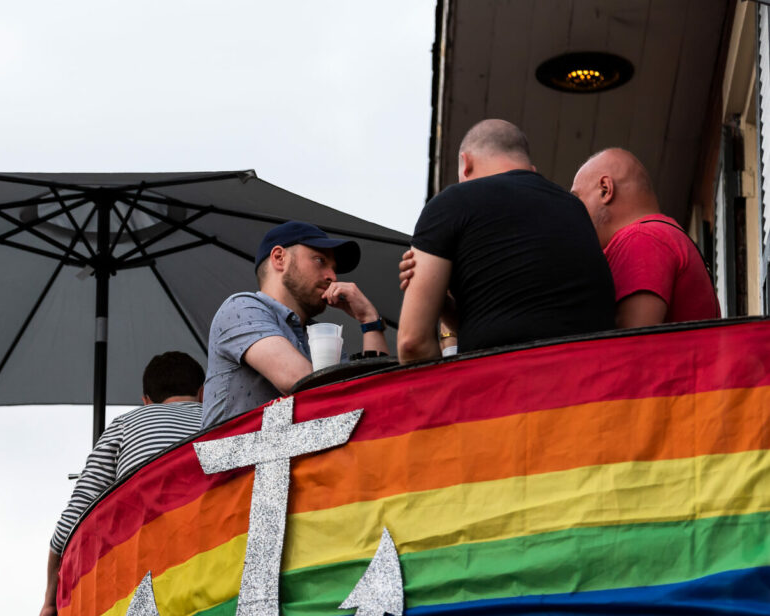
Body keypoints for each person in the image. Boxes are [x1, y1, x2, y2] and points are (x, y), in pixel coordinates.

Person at [31, 351, 205, 616]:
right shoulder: (224, 417)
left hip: (144, 574)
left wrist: (50, 602)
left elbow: (69, 526)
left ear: (146, 400)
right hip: (214, 561)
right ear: (202, 392)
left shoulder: (125, 424)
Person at [397, 119, 615, 362]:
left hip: (500, 386)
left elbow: (412, 343)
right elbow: (532, 319)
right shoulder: (577, 210)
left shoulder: (451, 202)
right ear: (530, 170)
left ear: (466, 163)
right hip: (587, 383)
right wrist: (444, 306)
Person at [201, 221, 391, 427]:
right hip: (236, 458)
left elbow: (373, 405)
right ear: (279, 258)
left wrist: (369, 320)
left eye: (334, 268)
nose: (333, 276)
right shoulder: (241, 307)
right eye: (320, 260)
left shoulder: (319, 335)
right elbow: (303, 383)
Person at [570, 147, 720, 327]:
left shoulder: (641, 238)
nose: (573, 214)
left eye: (577, 200)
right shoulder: (665, 235)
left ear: (605, 189)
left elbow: (633, 344)